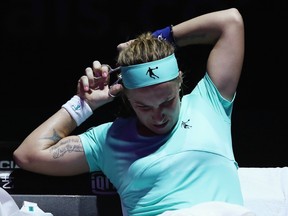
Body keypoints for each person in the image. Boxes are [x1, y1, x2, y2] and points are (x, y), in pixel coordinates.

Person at [13, 7, 250, 216]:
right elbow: (28, 154)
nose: (158, 116)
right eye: (143, 106)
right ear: (126, 96)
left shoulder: (209, 103)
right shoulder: (108, 140)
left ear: (179, 82)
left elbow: (230, 21)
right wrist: (83, 105)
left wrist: (156, 40)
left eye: (167, 101)